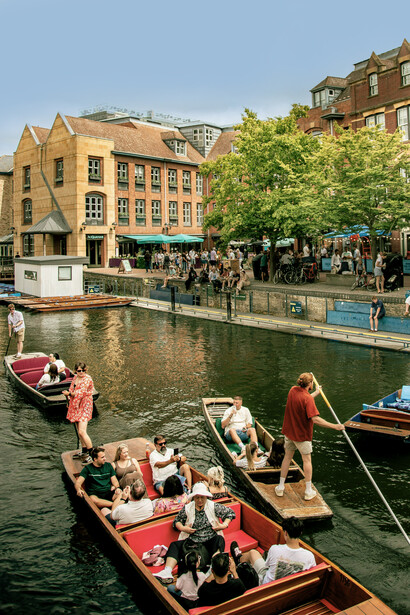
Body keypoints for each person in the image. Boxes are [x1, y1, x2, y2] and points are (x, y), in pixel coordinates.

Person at [275, 373, 345, 500]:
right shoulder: (307, 399)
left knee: (287, 457)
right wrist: (335, 426)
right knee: (307, 461)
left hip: (289, 432)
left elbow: (304, 399)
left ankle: (280, 487)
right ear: (310, 384)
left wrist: (317, 393)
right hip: (301, 436)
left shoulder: (292, 390)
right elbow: (315, 419)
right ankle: (308, 491)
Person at [153, 482, 235, 584]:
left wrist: (224, 525)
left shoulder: (213, 506)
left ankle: (213, 568)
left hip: (210, 541)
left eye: (202, 497)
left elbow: (230, 513)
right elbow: (176, 521)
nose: (200, 500)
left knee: (219, 540)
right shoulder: (188, 508)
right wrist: (183, 528)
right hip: (192, 542)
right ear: (193, 498)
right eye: (197, 498)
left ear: (206, 497)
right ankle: (167, 571)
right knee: (174, 545)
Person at [231, 516, 316, 585]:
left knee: (253, 553)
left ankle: (239, 559)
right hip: (291, 588)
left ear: (285, 533)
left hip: (268, 586)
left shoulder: (275, 549)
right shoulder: (309, 556)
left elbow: (267, 566)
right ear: (300, 533)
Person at [63, 362, 94, 464]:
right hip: (75, 404)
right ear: (76, 371)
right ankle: (84, 450)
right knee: (77, 427)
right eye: (79, 371)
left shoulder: (87, 379)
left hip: (85, 405)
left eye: (83, 370)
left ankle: (92, 454)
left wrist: (70, 394)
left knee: (82, 431)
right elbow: (72, 389)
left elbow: (81, 392)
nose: (81, 373)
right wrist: (69, 399)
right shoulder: (75, 378)